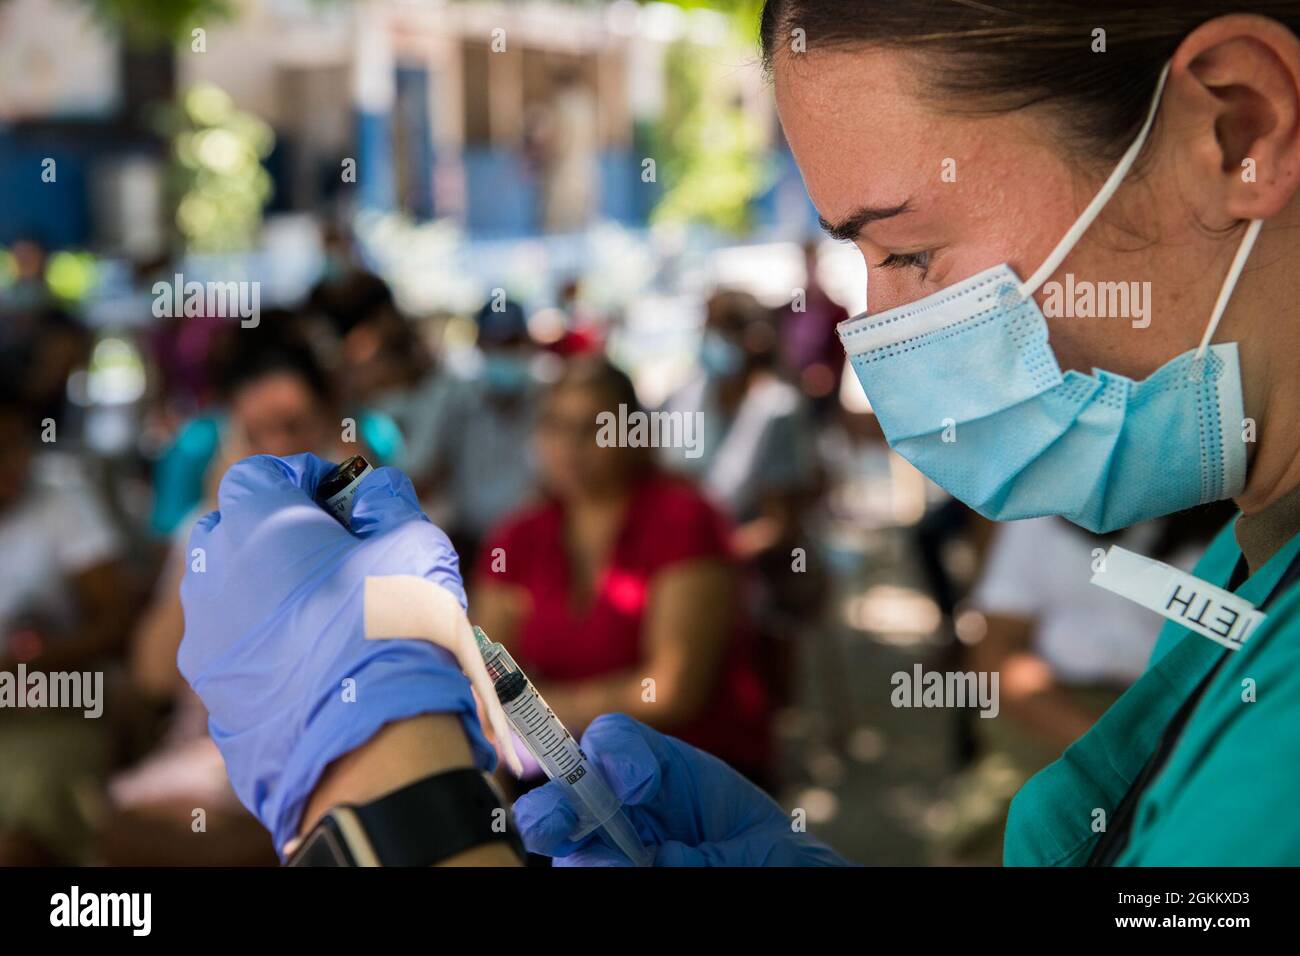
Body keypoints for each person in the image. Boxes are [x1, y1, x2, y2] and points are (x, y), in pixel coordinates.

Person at [178, 3, 1300, 866]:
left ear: (1237, 128)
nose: (879, 329)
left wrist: (389, 801)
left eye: (909, 250)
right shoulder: (1249, 567)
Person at [471, 358, 771, 784]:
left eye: (594, 427)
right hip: (563, 778)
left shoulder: (686, 519)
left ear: (635, 433)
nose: (570, 445)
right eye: (555, 426)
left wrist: (530, 714)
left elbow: (672, 692)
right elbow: (486, 680)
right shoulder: (517, 536)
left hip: (688, 780)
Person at [0, 387, 132, 864]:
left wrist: (42, 659)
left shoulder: (61, 504)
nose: (12, 464)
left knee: (24, 828)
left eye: (16, 445)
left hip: (61, 705)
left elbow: (117, 620)